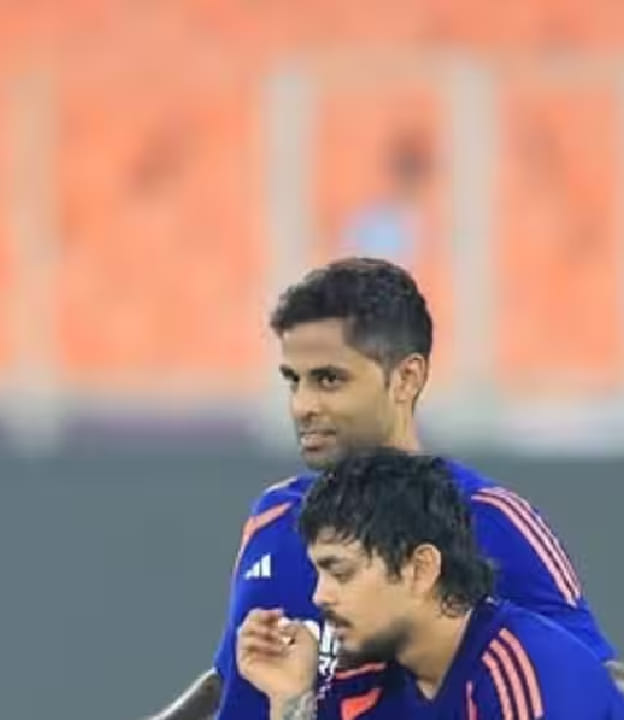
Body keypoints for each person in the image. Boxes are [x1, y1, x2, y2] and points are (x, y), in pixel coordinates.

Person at [149, 258, 618, 719]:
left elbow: (593, 677)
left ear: (406, 378)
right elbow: (229, 682)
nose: (303, 405)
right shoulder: (273, 514)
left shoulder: (488, 517)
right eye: (294, 381)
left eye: (328, 379)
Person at [236, 448, 624, 719]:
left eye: (341, 573)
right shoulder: (365, 678)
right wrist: (292, 698)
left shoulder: (524, 677)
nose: (319, 596)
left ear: (421, 569)